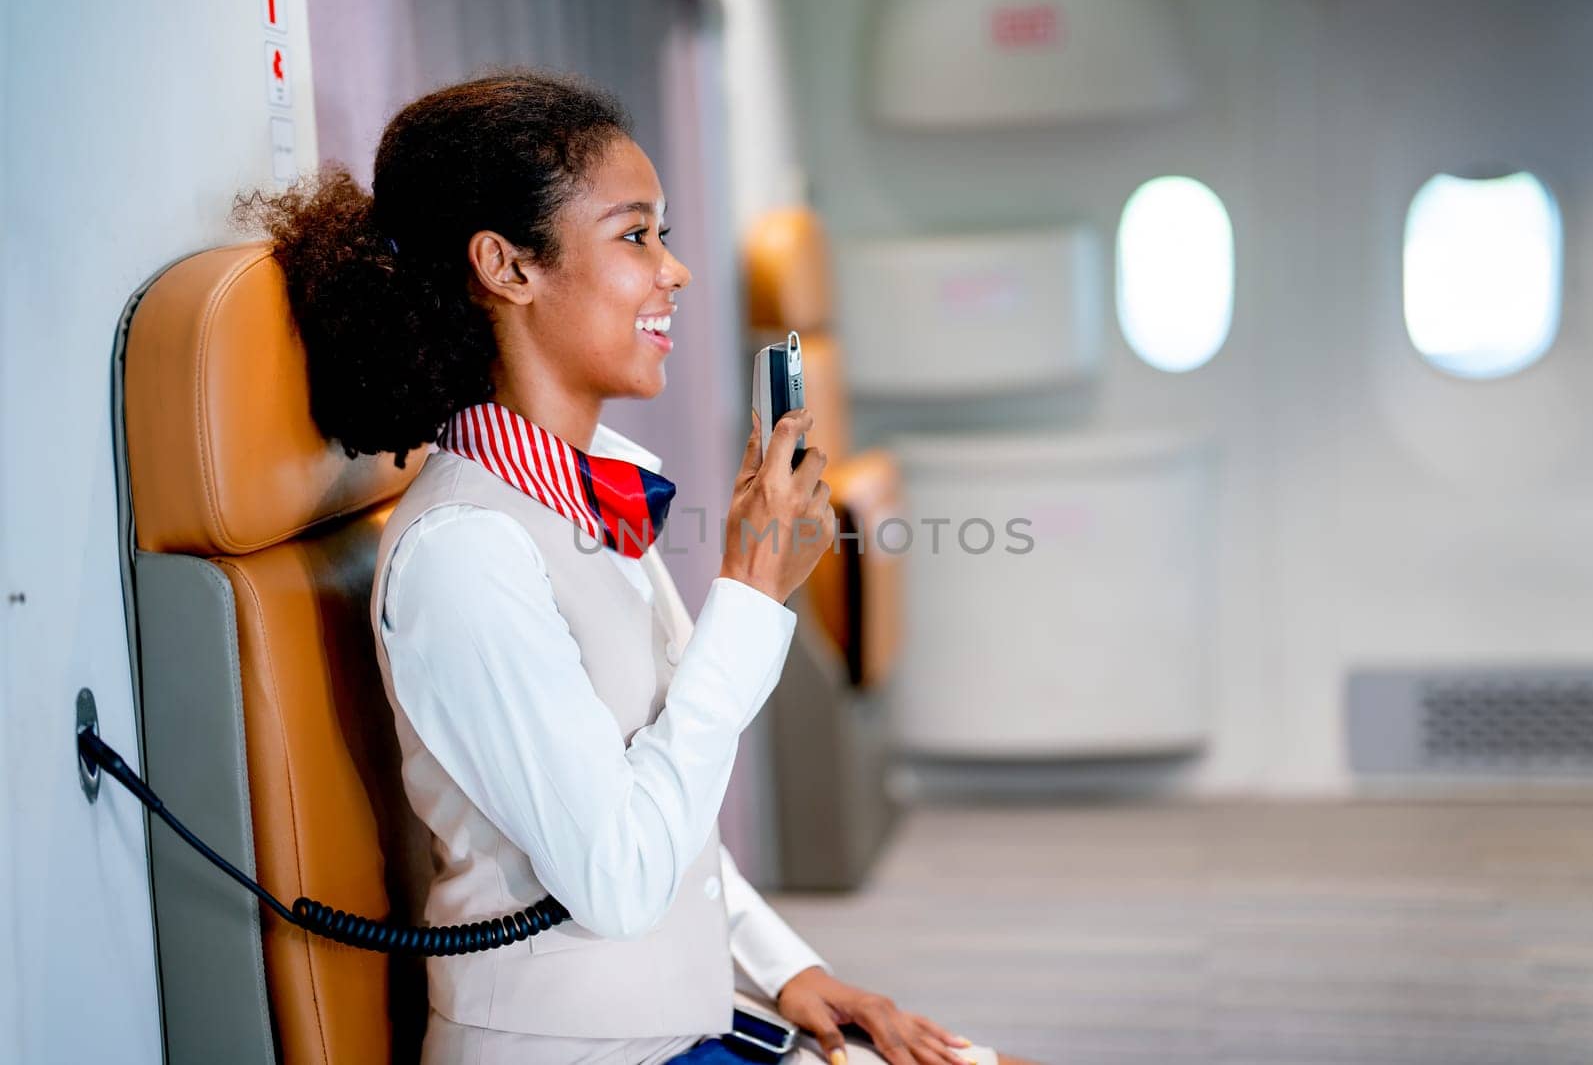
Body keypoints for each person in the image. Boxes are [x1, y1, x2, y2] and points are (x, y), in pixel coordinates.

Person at [242, 70, 1028, 1065]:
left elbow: (656, 800)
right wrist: (744, 594)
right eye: (635, 234)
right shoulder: (464, 555)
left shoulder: (580, 492)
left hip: (674, 1023)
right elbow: (615, 876)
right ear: (506, 266)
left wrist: (788, 967)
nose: (676, 271)